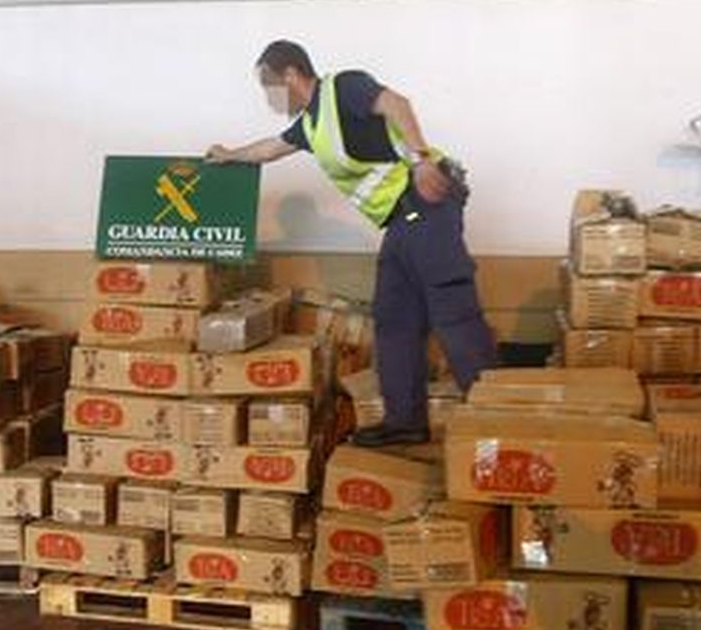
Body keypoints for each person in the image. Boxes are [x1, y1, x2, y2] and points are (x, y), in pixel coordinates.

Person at [205, 39, 497, 447]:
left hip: (426, 202)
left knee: (452, 311)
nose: (269, 97)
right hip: (401, 221)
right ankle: (406, 421)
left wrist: (421, 159)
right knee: (394, 318)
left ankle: (497, 420)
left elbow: (397, 103)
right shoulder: (310, 124)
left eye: (270, 86)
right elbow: (271, 148)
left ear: (291, 75)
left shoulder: (343, 87)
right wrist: (230, 154)